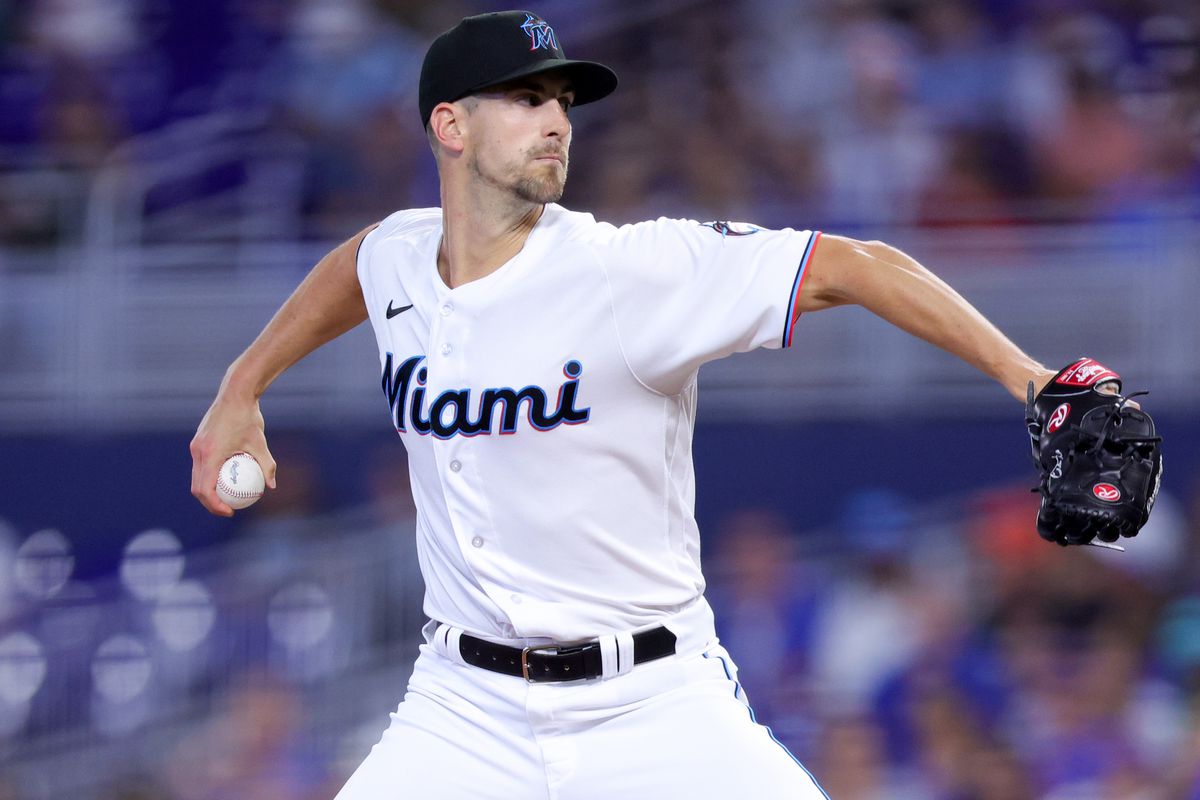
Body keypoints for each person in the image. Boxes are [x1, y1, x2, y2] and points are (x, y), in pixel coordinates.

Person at [190, 10, 1062, 799]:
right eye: (526, 98)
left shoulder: (628, 271)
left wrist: (1036, 382)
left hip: (652, 701)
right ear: (449, 125)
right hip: (464, 706)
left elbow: (854, 265)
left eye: (563, 101)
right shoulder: (401, 258)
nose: (557, 120)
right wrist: (242, 385)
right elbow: (355, 267)